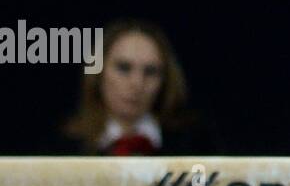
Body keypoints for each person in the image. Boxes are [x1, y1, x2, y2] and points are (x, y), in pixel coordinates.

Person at [57, 20, 216, 155]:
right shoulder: (64, 148)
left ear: (166, 80)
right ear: (98, 73)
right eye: (124, 68)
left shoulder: (195, 145)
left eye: (151, 71)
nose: (137, 83)